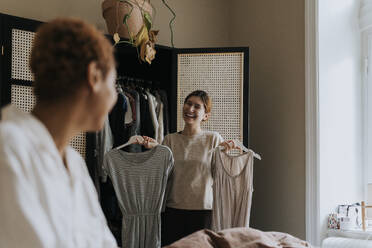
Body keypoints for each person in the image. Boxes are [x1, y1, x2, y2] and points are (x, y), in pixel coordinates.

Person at [0, 18, 118, 247]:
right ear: (94, 76)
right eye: (113, 85)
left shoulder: (75, 164)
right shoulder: (8, 148)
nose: (115, 98)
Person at [157, 90, 235, 245]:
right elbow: (161, 175)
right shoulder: (169, 140)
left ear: (206, 115)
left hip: (204, 211)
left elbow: (220, 175)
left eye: (197, 106)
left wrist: (224, 156)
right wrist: (154, 150)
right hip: (173, 210)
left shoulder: (213, 139)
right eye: (188, 103)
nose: (190, 109)